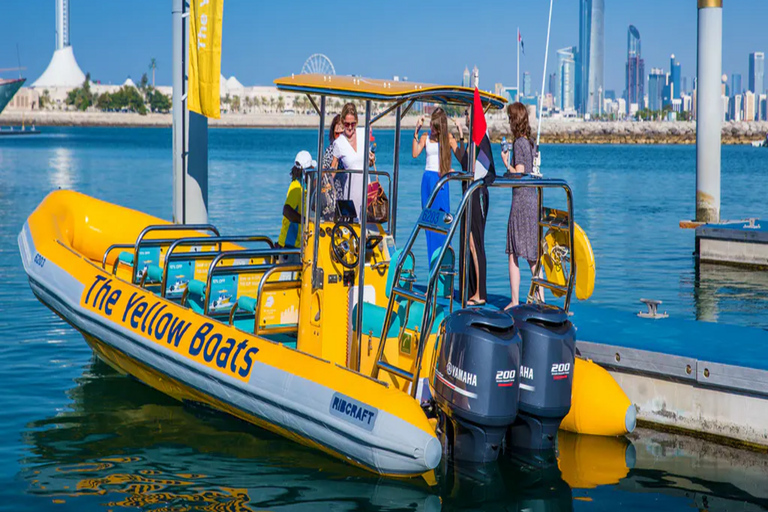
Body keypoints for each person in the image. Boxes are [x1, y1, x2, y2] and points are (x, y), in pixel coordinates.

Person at [502, 102, 542, 309]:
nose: (508, 122)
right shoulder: (530, 143)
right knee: (532, 254)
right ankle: (541, 298)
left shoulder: (518, 143)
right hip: (532, 198)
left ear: (514, 121)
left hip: (520, 200)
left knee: (514, 251)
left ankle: (515, 300)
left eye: (510, 118)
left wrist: (505, 163)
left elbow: (518, 172)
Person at [453, 109, 493, 306]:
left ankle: (480, 292)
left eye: (468, 113)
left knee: (476, 242)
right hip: (470, 193)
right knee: (469, 242)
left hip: (477, 194)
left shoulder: (480, 139)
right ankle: (472, 289)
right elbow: (465, 162)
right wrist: (460, 137)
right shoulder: (472, 140)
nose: (466, 117)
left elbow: (481, 168)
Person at [412, 107, 457, 261]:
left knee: (443, 222)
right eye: (431, 124)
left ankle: (445, 261)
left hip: (441, 180)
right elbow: (415, 153)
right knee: (429, 223)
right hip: (428, 180)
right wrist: (416, 132)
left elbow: (461, 155)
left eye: (434, 126)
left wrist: (462, 135)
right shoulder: (426, 136)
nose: (431, 128)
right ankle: (433, 263)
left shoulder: (448, 138)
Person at [331, 103, 375, 221]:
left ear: (357, 121)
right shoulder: (339, 143)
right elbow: (333, 167)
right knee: (352, 230)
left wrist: (371, 160)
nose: (350, 127)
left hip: (367, 191)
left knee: (368, 230)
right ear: (342, 122)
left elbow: (368, 162)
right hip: (351, 193)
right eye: (346, 124)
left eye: (353, 124)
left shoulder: (363, 133)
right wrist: (324, 184)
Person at [277, 150, 315, 262]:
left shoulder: (303, 188)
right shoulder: (296, 188)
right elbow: (287, 210)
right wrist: (305, 221)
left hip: (298, 246)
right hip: (290, 247)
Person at [320, 114, 345, 220]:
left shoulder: (350, 151)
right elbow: (323, 170)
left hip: (347, 192)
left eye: (342, 134)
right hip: (334, 196)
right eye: (336, 134)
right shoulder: (330, 150)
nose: (339, 137)